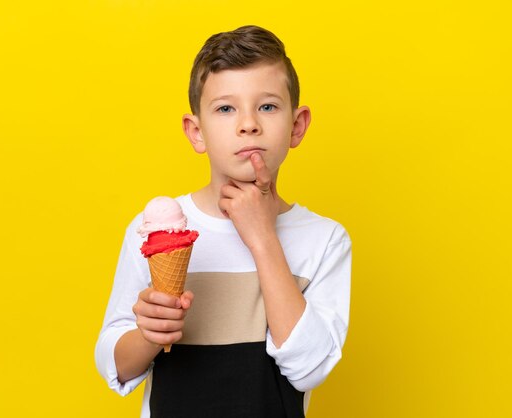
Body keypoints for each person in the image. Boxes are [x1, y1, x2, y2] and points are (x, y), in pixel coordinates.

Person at [95, 25, 351, 418]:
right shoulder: (155, 230)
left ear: (297, 125)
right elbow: (114, 363)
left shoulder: (325, 240)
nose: (248, 124)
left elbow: (309, 368)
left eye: (267, 106)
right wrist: (149, 335)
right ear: (196, 132)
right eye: (225, 108)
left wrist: (263, 238)